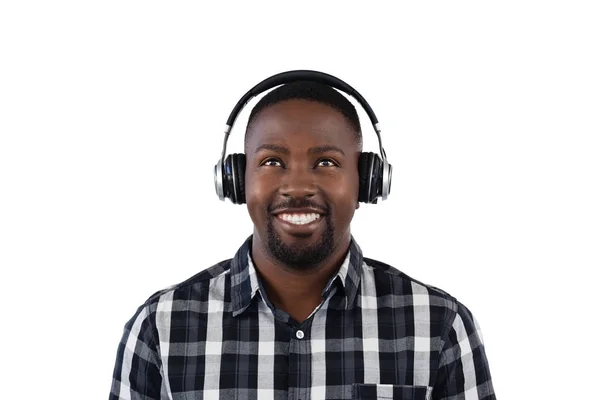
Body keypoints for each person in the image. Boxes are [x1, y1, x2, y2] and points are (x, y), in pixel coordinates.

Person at [109, 71, 496, 400]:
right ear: (236, 181)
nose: (296, 186)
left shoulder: (439, 326)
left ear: (367, 182)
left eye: (326, 162)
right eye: (272, 161)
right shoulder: (161, 327)